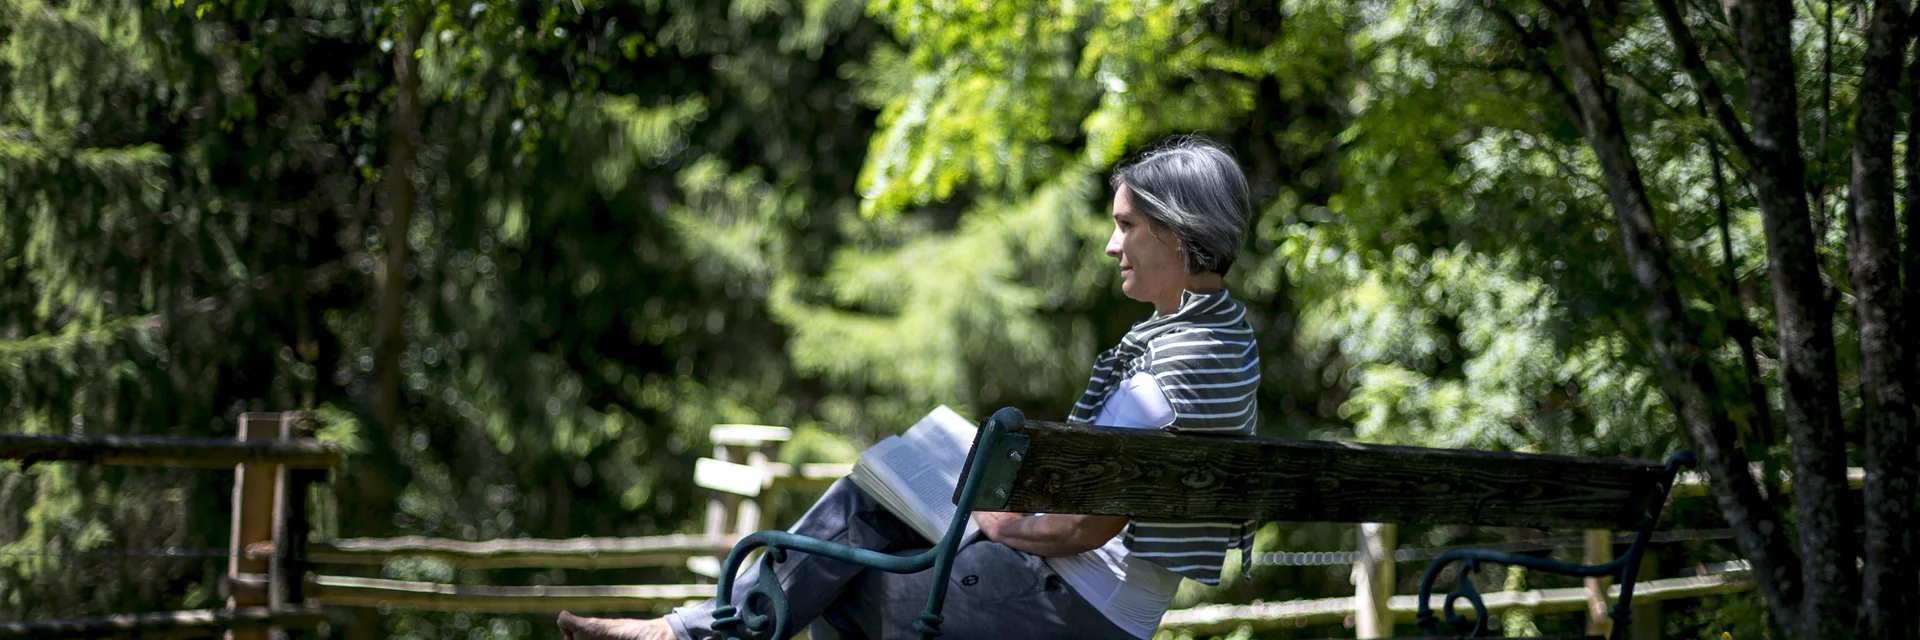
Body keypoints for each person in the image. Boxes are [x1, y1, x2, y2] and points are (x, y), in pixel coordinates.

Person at [559, 136, 1259, 640]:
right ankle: (690, 634)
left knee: (844, 561)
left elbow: (1084, 525)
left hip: (1061, 609)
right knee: (866, 516)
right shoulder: (1228, 346)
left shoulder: (1162, 374)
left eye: (1126, 225)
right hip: (1114, 612)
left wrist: (992, 519)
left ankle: (690, 635)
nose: (1112, 246)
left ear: (1175, 231)